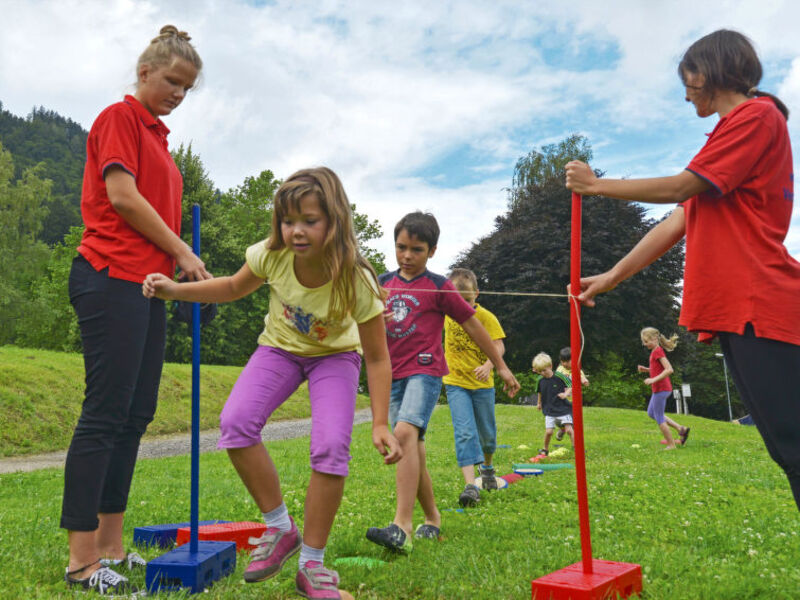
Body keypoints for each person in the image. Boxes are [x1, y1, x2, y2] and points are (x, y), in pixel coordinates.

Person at [566, 29, 800, 510]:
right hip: (740, 308)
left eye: (689, 78)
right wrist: (611, 277)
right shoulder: (731, 134)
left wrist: (596, 186)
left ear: (713, 70)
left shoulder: (756, 116)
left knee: (794, 448)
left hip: (760, 303)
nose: (686, 90)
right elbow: (678, 220)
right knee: (787, 449)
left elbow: (679, 188)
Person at [143, 167, 401, 599]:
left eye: (310, 221)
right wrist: (174, 291)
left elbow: (376, 357)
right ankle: (281, 529)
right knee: (236, 422)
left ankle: (312, 566)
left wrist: (379, 422)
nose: (296, 231)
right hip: (279, 349)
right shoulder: (271, 254)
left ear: (334, 220)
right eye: (288, 220)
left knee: (331, 447)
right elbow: (229, 289)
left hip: (335, 357)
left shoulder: (356, 279)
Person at [61, 25, 209, 595]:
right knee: (105, 414)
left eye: (187, 88)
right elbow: (122, 198)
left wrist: (172, 267)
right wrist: (181, 251)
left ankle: (112, 549)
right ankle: (80, 563)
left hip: (147, 288)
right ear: (145, 72)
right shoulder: (118, 118)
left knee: (135, 414)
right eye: (172, 81)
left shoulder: (159, 139)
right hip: (108, 276)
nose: (177, 93)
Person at [365, 212, 520, 551]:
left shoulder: (438, 286)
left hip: (426, 372)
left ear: (432, 251)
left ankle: (400, 527)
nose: (407, 256)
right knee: (412, 449)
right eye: (401, 247)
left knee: (404, 434)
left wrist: (501, 366)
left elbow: (474, 326)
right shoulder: (380, 283)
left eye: (416, 250)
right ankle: (432, 519)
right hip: (392, 375)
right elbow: (359, 322)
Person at [442, 268, 506, 507]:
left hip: (482, 385)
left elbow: (499, 346)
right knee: (465, 432)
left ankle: (487, 468)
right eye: (457, 301)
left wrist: (489, 365)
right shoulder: (446, 315)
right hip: (455, 383)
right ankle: (471, 486)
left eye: (467, 301)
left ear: (476, 294)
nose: (462, 307)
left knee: (487, 437)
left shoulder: (486, 317)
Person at [638, 328, 689, 449]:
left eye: (646, 341)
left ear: (654, 339)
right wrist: (647, 370)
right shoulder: (655, 351)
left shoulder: (658, 351)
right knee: (652, 413)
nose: (644, 344)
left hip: (662, 388)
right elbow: (658, 369)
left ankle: (671, 444)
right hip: (660, 389)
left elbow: (669, 369)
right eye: (643, 342)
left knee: (659, 417)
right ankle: (681, 429)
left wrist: (653, 380)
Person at [532, 352, 573, 456]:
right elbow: (540, 392)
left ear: (550, 366)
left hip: (563, 409)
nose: (543, 373)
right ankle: (545, 449)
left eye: (544, 370)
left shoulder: (559, 376)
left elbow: (570, 385)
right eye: (540, 371)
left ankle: (576, 447)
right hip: (549, 409)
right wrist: (539, 403)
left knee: (569, 430)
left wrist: (565, 394)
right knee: (549, 432)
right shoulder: (540, 380)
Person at [555, 346, 589, 441]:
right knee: (559, 421)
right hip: (562, 400)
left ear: (574, 360)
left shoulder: (576, 370)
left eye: (567, 361)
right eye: (563, 361)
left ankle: (575, 445)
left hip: (573, 402)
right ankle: (562, 429)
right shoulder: (560, 370)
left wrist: (584, 381)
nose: (565, 363)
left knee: (572, 424)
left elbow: (582, 378)